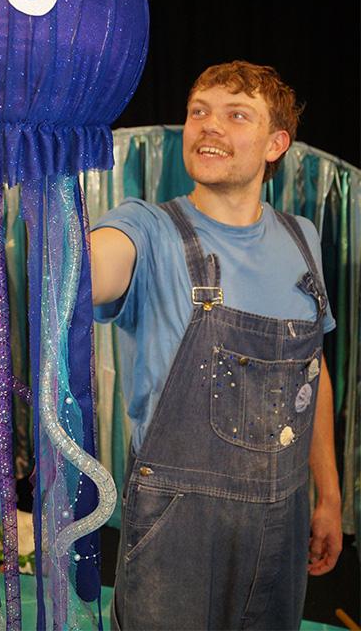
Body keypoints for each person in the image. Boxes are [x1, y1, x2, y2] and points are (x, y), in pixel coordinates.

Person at [90, 61, 343, 631]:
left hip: (284, 520)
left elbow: (312, 369)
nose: (209, 126)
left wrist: (328, 493)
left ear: (276, 143)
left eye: (236, 115)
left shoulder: (303, 239)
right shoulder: (147, 228)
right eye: (198, 112)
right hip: (178, 527)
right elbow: (88, 271)